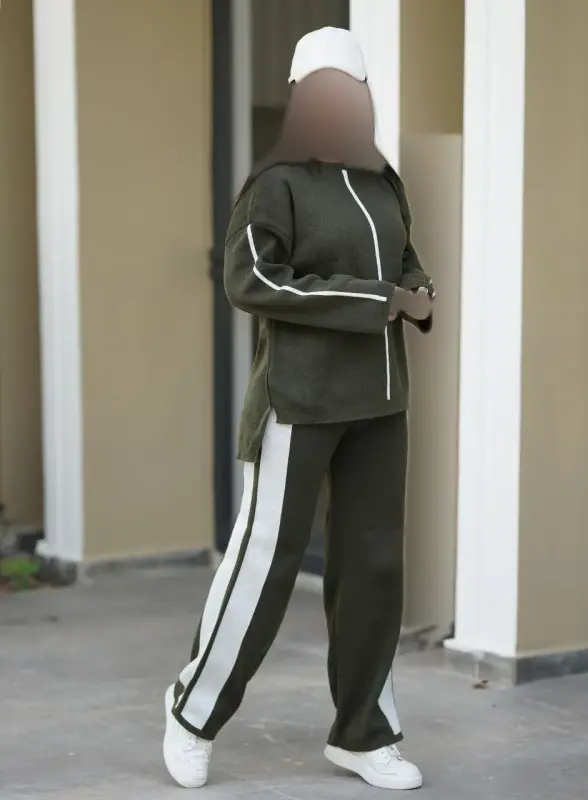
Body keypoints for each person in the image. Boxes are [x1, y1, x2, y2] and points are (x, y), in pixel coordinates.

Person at [163, 26, 435, 792]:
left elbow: (404, 258)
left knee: (373, 569)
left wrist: (420, 292)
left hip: (381, 401)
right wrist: (376, 300)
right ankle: (191, 712)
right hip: (298, 398)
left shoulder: (383, 179)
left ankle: (363, 734)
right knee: (264, 562)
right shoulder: (275, 184)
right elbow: (251, 280)